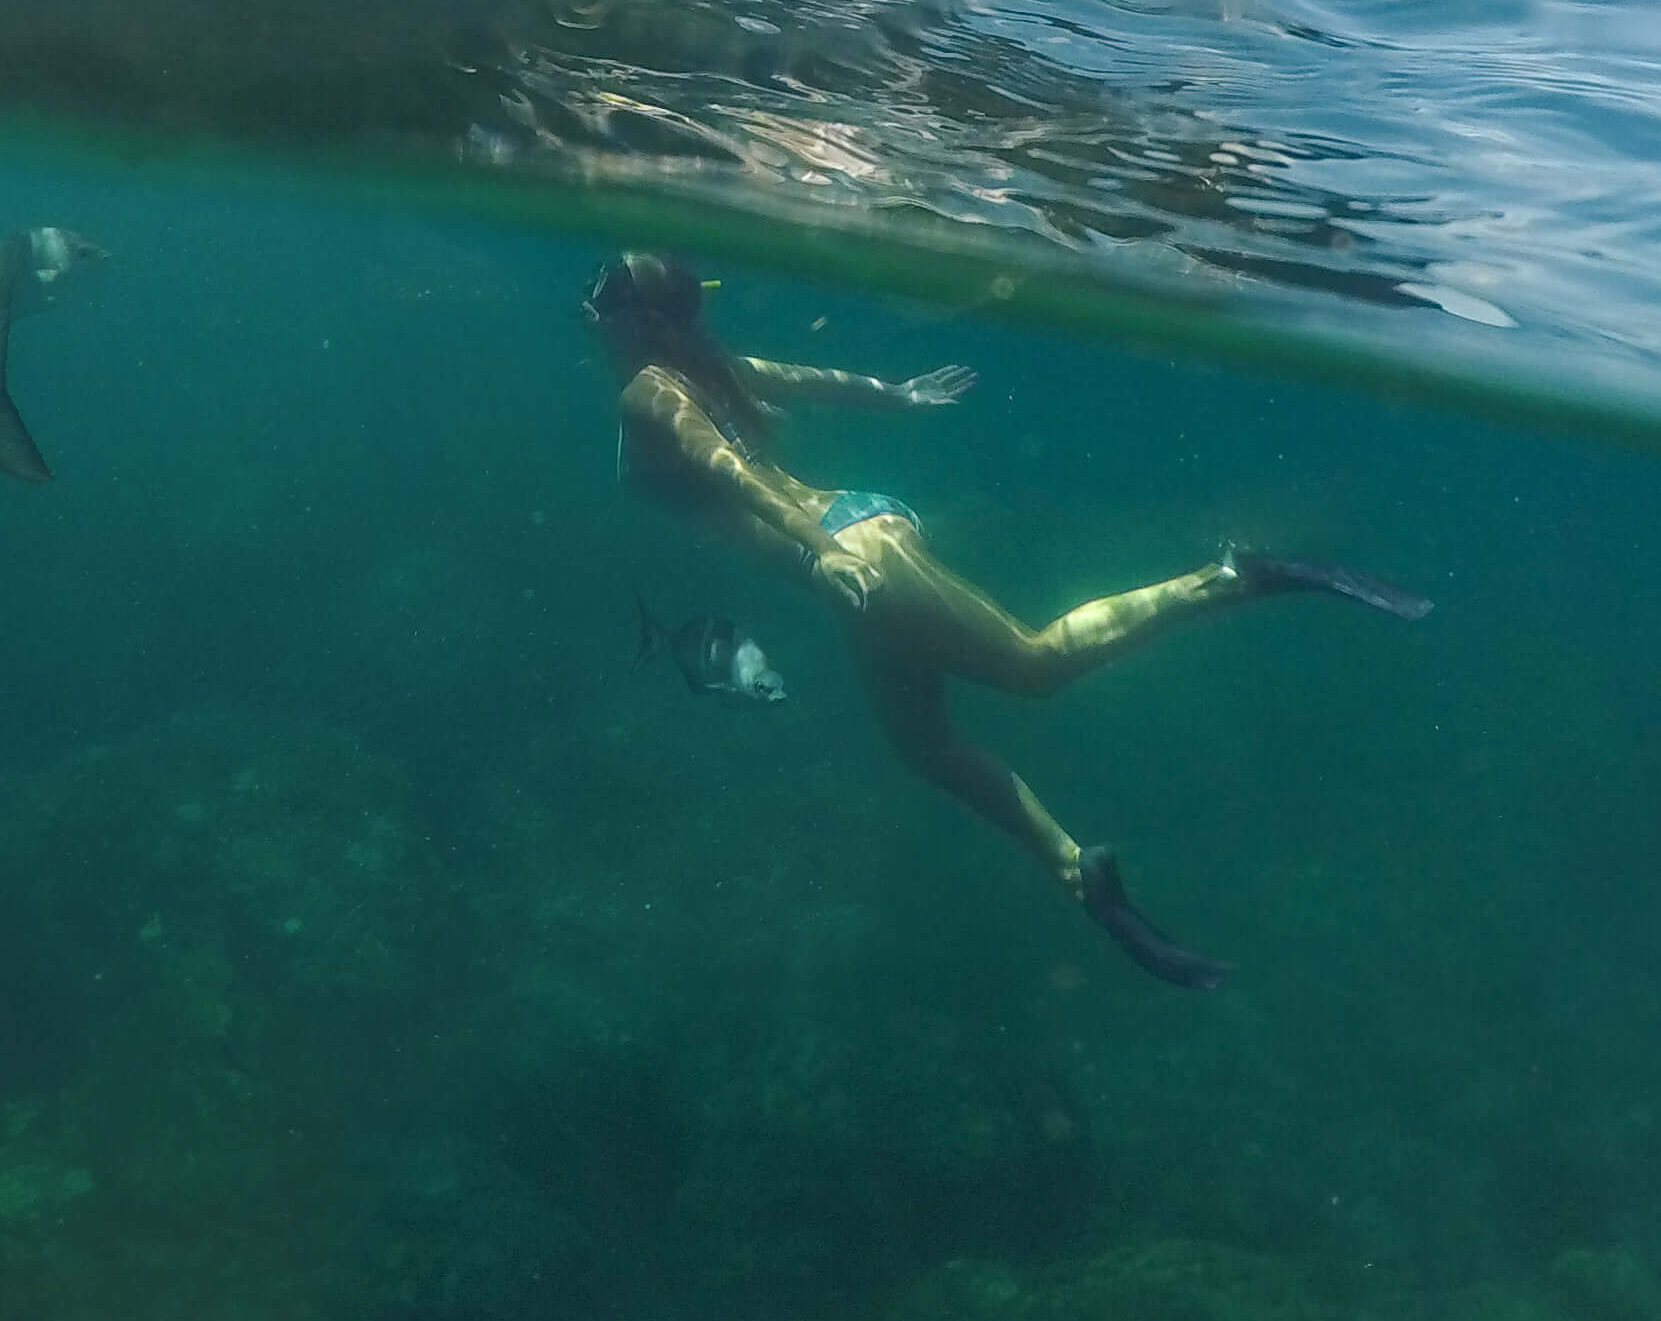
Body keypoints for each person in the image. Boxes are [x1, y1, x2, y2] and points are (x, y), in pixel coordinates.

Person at [585, 252, 1429, 989]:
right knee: (924, 748)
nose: (592, 301)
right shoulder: (699, 365)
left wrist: (817, 546)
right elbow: (803, 381)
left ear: (639, 317)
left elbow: (729, 472)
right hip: (855, 539)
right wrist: (893, 396)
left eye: (607, 288)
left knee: (1034, 667)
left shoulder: (649, 395)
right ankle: (1079, 875)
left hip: (849, 556)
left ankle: (1232, 577)